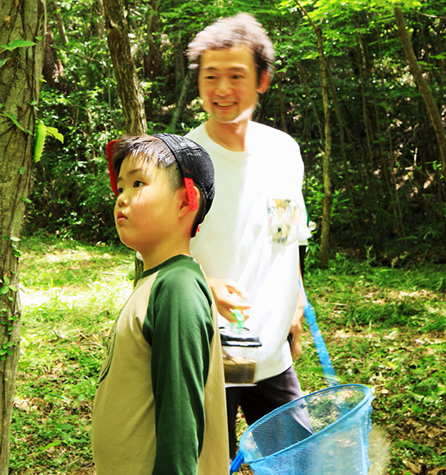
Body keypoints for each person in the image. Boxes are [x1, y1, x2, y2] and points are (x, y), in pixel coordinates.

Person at [185, 13, 312, 457]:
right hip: (211, 352)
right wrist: (203, 282)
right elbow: (155, 258)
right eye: (211, 76)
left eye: (236, 76)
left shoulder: (283, 151)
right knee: (210, 463)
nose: (221, 90)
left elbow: (288, 235)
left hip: (272, 352)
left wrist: (295, 304)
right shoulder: (182, 159)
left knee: (298, 462)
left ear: (263, 80)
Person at [91, 134, 228, 475]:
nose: (121, 199)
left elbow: (180, 429)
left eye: (137, 183)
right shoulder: (155, 282)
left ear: (186, 201)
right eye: (120, 188)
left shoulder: (176, 287)